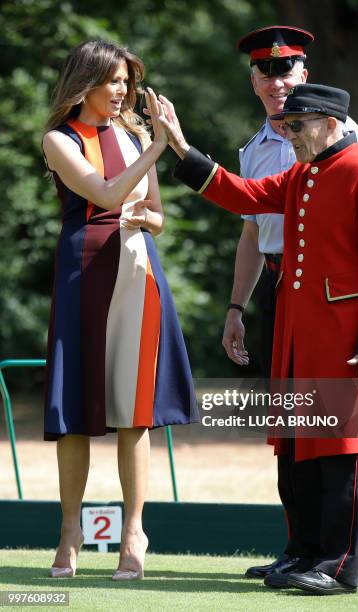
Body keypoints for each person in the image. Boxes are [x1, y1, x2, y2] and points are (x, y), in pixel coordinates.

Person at [153, 82, 358, 595]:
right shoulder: (302, 174)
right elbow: (241, 194)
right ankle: (310, 554)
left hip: (347, 339)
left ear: (330, 122)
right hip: (301, 335)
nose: (287, 133)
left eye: (297, 125)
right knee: (299, 450)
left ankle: (342, 567)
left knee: (343, 451)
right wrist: (181, 147)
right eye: (285, 125)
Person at [222, 26, 358, 587]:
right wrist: (237, 306)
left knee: (348, 436)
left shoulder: (356, 152)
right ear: (253, 80)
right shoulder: (269, 153)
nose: (277, 84)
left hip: (343, 312)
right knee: (300, 432)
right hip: (291, 300)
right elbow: (250, 217)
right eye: (265, 72)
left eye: (286, 69)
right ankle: (307, 552)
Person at [42, 40, 198, 580]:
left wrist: (146, 217)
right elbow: (105, 197)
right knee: (76, 413)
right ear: (85, 83)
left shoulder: (132, 136)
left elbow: (155, 216)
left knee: (135, 411)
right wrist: (160, 145)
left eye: (128, 82)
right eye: (114, 81)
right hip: (83, 272)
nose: (124, 92)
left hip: (138, 272)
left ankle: (135, 531)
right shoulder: (59, 139)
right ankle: (69, 530)